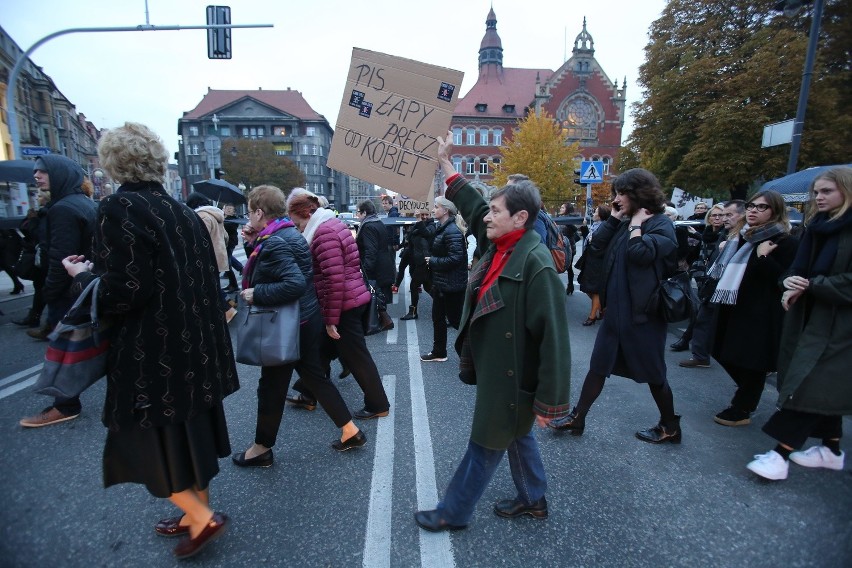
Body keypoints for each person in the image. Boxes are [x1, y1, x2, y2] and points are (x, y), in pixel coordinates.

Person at [59, 122, 239, 559]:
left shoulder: (120, 208)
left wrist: (82, 276)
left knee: (140, 438)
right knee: (191, 429)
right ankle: (197, 510)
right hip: (195, 344)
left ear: (114, 164)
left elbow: (127, 289)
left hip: (152, 351)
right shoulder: (183, 212)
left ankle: (199, 518)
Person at [413, 134, 570, 532]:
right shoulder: (500, 243)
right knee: (515, 436)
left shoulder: (536, 264)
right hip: (496, 367)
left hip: (513, 376)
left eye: (496, 211)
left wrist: (550, 404)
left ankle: (453, 510)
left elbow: (555, 340)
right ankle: (534, 498)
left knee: (485, 443)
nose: (486, 217)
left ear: (520, 218)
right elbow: (472, 202)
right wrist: (445, 161)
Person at [550, 168, 682, 444]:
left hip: (643, 314)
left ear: (639, 194)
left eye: (623, 193)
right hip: (616, 313)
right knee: (598, 366)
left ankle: (670, 425)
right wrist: (616, 218)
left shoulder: (659, 224)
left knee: (654, 373)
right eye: (617, 193)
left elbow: (641, 254)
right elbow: (595, 246)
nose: (618, 198)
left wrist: (635, 225)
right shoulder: (621, 222)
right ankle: (578, 417)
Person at [234, 185, 365, 463]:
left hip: (287, 325)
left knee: (271, 387)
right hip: (304, 319)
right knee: (314, 376)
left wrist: (256, 293)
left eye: (250, 212)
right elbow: (280, 268)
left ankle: (261, 448)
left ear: (260, 212)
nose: (249, 217)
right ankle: (350, 430)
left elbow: (291, 283)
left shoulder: (276, 241)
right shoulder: (286, 233)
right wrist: (253, 243)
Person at [746, 167, 852, 480]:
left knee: (808, 383)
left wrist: (812, 285)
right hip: (812, 318)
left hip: (840, 324)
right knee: (819, 384)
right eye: (816, 192)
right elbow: (798, 270)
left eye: (827, 191)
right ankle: (831, 450)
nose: (819, 197)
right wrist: (790, 283)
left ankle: (781, 455)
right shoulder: (818, 226)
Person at [286, 189, 391, 420]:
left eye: (297, 222)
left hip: (344, 303)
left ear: (306, 213)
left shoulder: (323, 234)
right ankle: (307, 391)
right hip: (350, 298)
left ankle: (378, 404)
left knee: (356, 356)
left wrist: (331, 320)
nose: (297, 228)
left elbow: (334, 279)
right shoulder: (332, 224)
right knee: (324, 349)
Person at [19, 154, 97, 428]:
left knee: (63, 352)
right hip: (83, 285)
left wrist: (49, 294)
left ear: (60, 175)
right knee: (85, 346)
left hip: (68, 290)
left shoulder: (62, 208)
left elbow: (60, 257)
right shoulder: (83, 203)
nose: (37, 176)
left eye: (43, 172)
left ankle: (65, 405)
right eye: (36, 172)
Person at [710, 190, 797, 427]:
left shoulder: (785, 241)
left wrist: (764, 258)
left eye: (761, 207)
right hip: (732, 304)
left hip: (761, 312)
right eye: (751, 205)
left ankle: (743, 407)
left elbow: (785, 280)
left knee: (751, 361)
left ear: (775, 212)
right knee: (719, 350)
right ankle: (747, 389)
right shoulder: (742, 237)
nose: (753, 210)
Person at [421, 197, 467, 362]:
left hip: (452, 285)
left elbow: (456, 258)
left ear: (446, 210)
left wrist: (433, 261)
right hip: (442, 283)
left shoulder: (452, 231)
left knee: (456, 322)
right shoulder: (443, 228)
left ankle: (471, 355)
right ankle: (439, 352)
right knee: (438, 319)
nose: (433, 210)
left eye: (436, 207)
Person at [185, 192, 237, 323]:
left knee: (209, 287)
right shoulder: (217, 216)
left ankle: (227, 310)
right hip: (218, 258)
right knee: (213, 285)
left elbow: (199, 239)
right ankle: (228, 305)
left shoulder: (202, 217)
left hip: (207, 259)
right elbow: (225, 237)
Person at [12, 197, 49, 327]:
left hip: (47, 257)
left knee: (43, 287)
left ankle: (40, 319)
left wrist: (33, 220)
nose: (38, 198)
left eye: (40, 195)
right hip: (44, 256)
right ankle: (37, 317)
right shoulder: (43, 212)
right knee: (41, 287)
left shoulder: (48, 212)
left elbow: (39, 235)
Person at [356, 199, 396, 317]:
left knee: (375, 293)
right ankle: (381, 319)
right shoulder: (378, 222)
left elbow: (370, 250)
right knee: (380, 293)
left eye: (358, 212)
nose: (357, 215)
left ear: (364, 213)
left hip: (376, 267)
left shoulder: (368, 226)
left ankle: (381, 320)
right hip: (383, 264)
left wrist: (366, 269)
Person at [575, 204, 611, 325]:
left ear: (601, 215)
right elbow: (589, 239)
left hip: (597, 263)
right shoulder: (595, 226)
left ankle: (592, 316)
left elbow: (599, 244)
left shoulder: (605, 227)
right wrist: (584, 228)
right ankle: (601, 308)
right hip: (590, 260)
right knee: (588, 287)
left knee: (593, 289)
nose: (594, 214)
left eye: (596, 212)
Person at [399, 211, 435, 320]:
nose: (424, 217)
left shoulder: (432, 226)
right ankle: (446, 308)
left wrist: (419, 220)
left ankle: (413, 312)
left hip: (424, 261)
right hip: (418, 260)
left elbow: (427, 233)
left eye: (426, 214)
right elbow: (411, 240)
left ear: (430, 215)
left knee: (414, 285)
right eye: (422, 215)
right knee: (428, 287)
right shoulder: (418, 225)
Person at [222, 203, 243, 293]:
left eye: (231, 209)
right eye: (227, 208)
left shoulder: (232, 220)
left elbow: (227, 226)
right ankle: (241, 269)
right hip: (225, 243)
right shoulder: (224, 218)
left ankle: (234, 285)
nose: (228, 210)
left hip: (230, 243)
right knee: (228, 259)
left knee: (227, 264)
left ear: (233, 211)